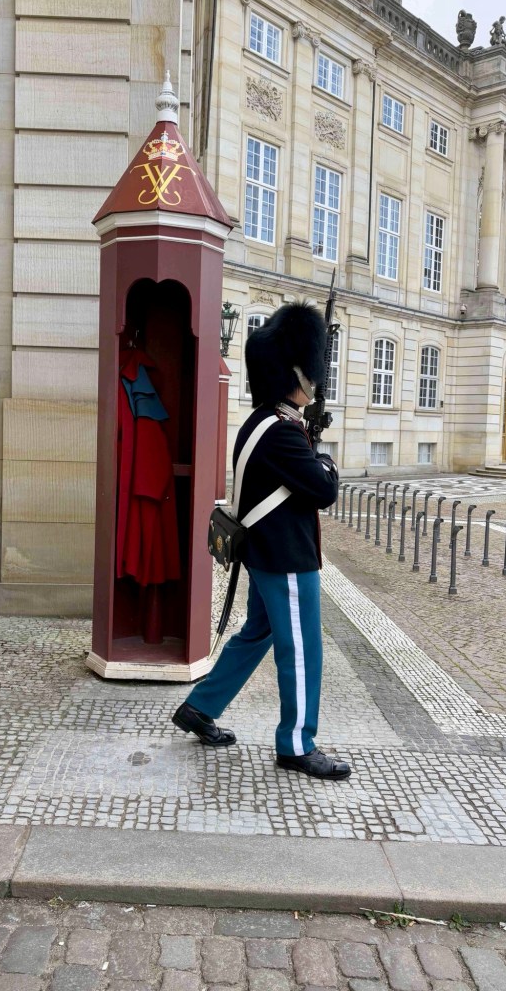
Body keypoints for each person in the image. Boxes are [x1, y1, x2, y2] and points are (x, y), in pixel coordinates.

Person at [172, 299, 351, 780]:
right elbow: (324, 490)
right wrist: (326, 460)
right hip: (287, 557)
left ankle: (200, 707)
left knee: (258, 633)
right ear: (297, 373)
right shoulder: (283, 433)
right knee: (302, 649)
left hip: (266, 553)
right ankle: (296, 743)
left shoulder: (264, 422)